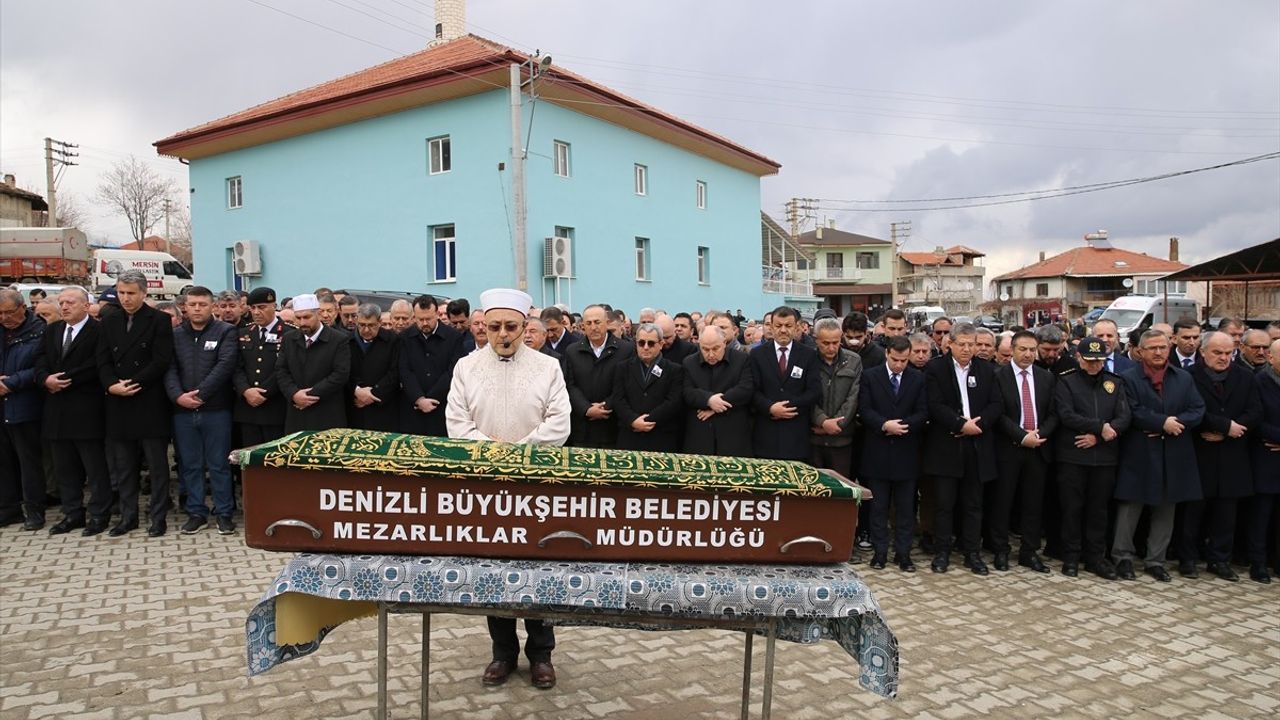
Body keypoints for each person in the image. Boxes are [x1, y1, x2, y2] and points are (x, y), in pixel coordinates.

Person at [445, 287, 570, 691]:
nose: (502, 334)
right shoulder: (466, 366)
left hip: (535, 485)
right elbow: (456, 423)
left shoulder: (548, 367)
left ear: (525, 327)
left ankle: (541, 655)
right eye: (494, 326)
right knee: (493, 569)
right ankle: (502, 653)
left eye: (510, 327)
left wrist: (518, 453)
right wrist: (490, 452)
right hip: (486, 487)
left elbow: (559, 423)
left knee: (538, 568)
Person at [1114, 329, 1205, 583]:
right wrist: (1161, 422)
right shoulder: (1127, 378)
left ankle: (1156, 560)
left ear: (1169, 348)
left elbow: (1197, 409)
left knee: (1167, 510)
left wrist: (1177, 423)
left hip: (1174, 453)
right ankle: (1122, 557)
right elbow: (1130, 410)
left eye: (1162, 347)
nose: (1157, 352)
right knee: (1130, 507)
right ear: (1140, 351)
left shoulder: (1184, 378)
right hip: (1140, 452)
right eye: (1152, 348)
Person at [96, 270, 174, 537]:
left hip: (148, 400)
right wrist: (111, 385)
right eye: (121, 293)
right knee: (124, 465)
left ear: (143, 293)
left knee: (156, 465)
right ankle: (128, 517)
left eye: (131, 293)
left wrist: (133, 383)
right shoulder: (109, 320)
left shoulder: (159, 320)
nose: (125, 298)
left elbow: (161, 360)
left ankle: (158, 516)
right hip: (118, 401)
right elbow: (102, 359)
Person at [922, 322, 1003, 575]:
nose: (968, 349)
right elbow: (934, 404)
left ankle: (972, 553)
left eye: (972, 344)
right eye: (963, 344)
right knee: (945, 504)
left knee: (973, 504)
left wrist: (978, 425)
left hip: (977, 443)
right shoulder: (935, 369)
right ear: (951, 344)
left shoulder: (987, 370)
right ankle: (942, 552)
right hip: (948, 443)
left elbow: (996, 403)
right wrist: (959, 423)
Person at [1184, 331, 1262, 581]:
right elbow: (1192, 410)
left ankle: (1220, 560)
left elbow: (1255, 411)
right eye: (1218, 353)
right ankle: (1188, 558)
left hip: (1232, 455)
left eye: (1229, 353)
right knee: (1193, 512)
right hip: (1200, 453)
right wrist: (1223, 425)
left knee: (1226, 515)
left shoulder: (1245, 377)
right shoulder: (1189, 377)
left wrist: (1231, 431)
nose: (1224, 358)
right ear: (1203, 351)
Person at [34, 288, 112, 536]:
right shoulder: (53, 330)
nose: (65, 306)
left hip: (86, 409)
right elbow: (40, 359)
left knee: (94, 467)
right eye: (62, 302)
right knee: (64, 468)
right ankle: (72, 513)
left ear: (86, 306)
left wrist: (64, 379)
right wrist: (45, 379)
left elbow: (97, 365)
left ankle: (99, 514)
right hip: (56, 410)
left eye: (70, 302)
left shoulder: (99, 331)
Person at [1054, 336, 1131, 578]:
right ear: (1079, 358)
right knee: (1072, 509)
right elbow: (1066, 415)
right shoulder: (1067, 382)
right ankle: (1071, 556)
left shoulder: (1114, 383)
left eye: (1098, 361)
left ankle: (1096, 557)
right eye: (1089, 361)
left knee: (1099, 510)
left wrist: (1100, 435)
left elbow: (1124, 416)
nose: (1094, 366)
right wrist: (1099, 426)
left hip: (1104, 457)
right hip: (1074, 457)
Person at [164, 286, 238, 536]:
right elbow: (169, 368)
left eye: (202, 304)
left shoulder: (226, 331)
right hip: (182, 410)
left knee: (219, 464)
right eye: (192, 304)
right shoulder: (175, 335)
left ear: (212, 307)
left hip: (216, 409)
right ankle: (196, 512)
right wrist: (178, 396)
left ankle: (224, 512)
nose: (197, 308)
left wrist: (201, 394)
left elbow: (225, 365)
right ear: (184, 306)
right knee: (190, 464)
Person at [858, 336, 928, 572]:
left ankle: (903, 553)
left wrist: (904, 426)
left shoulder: (917, 378)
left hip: (906, 451)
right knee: (878, 507)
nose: (899, 365)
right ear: (887, 354)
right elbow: (864, 409)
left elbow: (922, 411)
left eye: (904, 361)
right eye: (895, 360)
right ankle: (880, 552)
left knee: (906, 508)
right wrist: (884, 425)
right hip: (877, 450)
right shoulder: (871, 376)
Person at [990, 331, 1058, 573]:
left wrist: (1038, 435)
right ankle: (1000, 551)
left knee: (1033, 503)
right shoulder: (998, 376)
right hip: (1009, 448)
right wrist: (1021, 436)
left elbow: (1053, 413)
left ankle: (1029, 552)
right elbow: (997, 414)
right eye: (1023, 349)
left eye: (1032, 349)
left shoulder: (1046, 378)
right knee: (1003, 502)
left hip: (1038, 449)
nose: (1028, 354)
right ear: (1013, 349)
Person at [0, 288, 47, 529]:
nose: (5, 317)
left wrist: (11, 383)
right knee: (3, 461)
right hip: (2, 405)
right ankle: (8, 509)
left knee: (29, 461)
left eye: (9, 312)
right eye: (0, 313)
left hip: (25, 404)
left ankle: (34, 509)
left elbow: (41, 367)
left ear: (22, 308)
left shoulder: (38, 331)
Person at [750, 306, 822, 461]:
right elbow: (752, 390)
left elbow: (814, 391)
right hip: (765, 434)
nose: (783, 330)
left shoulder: (809, 355)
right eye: (778, 326)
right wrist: (770, 408)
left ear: (797, 327)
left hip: (796, 434)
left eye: (788, 326)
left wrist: (786, 408)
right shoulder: (757, 354)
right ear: (771, 327)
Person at [275, 293, 351, 433]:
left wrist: (309, 395)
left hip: (327, 412)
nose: (302, 322)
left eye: (307, 317)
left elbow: (340, 374)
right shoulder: (289, 339)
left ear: (318, 314)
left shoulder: (338, 339)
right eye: (298, 318)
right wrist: (294, 394)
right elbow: (281, 370)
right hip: (296, 413)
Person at [563, 304, 632, 448]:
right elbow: (569, 385)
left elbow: (627, 385)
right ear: (583, 326)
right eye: (588, 323)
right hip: (582, 428)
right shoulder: (572, 351)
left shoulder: (626, 350)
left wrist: (606, 406)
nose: (593, 327)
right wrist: (586, 409)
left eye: (597, 322)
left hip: (613, 426)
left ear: (607, 323)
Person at [681, 326, 754, 456]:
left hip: (733, 436)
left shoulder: (741, 359)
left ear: (724, 343)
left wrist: (717, 404)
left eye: (715, 348)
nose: (710, 354)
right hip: (700, 438)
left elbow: (745, 389)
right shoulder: (689, 362)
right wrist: (708, 400)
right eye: (705, 349)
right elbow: (687, 392)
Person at [233, 287, 292, 448]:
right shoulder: (244, 333)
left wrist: (265, 392)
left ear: (274, 306)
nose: (257, 312)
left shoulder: (289, 334)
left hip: (275, 407)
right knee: (250, 460)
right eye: (253, 308)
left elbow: (286, 368)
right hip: (248, 408)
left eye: (262, 307)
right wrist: (245, 390)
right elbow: (236, 367)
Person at [611, 323, 684, 452]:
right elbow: (618, 398)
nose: (645, 347)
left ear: (661, 344)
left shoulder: (674, 370)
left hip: (661, 438)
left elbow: (673, 402)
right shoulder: (623, 368)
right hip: (629, 436)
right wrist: (633, 420)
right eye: (641, 343)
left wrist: (648, 420)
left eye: (651, 343)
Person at [399, 294, 463, 436]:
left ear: (437, 314)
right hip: (413, 409)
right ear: (414, 317)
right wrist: (419, 399)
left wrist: (433, 397)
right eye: (420, 319)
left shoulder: (453, 337)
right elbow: (404, 370)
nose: (424, 323)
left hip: (443, 407)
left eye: (428, 319)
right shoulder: (405, 337)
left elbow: (453, 371)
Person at [809, 317, 861, 472]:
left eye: (836, 342)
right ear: (816, 340)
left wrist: (835, 425)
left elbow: (853, 397)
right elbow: (805, 395)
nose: (831, 348)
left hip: (841, 440)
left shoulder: (854, 361)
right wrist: (823, 421)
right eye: (826, 343)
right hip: (813, 440)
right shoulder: (807, 359)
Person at [1248, 339, 1280, 583]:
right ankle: (1258, 563)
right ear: (1271, 358)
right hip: (1265, 458)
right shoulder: (1259, 381)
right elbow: (1256, 419)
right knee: (1261, 515)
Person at [347, 303, 401, 432]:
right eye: (362, 325)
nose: (366, 330)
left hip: (384, 408)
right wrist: (357, 390)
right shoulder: (347, 341)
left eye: (371, 325)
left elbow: (395, 372)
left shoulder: (393, 340)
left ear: (379, 322)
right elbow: (342, 371)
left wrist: (372, 394)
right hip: (355, 407)